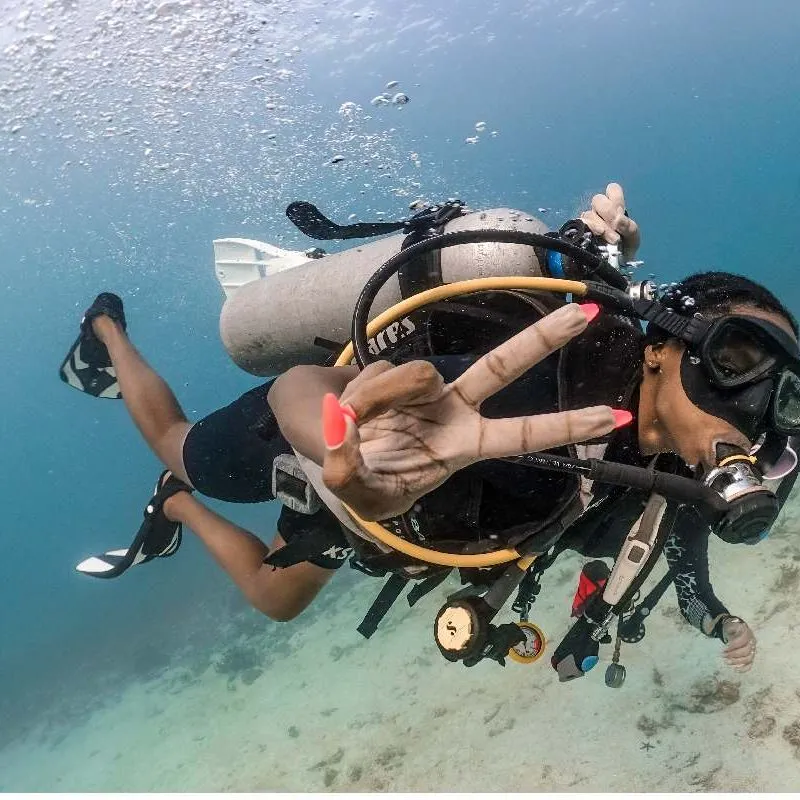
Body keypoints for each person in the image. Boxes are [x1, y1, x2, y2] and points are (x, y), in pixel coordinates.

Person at [60, 184, 795, 674]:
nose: (750, 409)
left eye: (781, 398)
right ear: (664, 348)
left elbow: (621, 545)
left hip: (382, 506)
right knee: (178, 447)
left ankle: (174, 505)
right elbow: (297, 389)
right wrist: (344, 446)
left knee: (276, 600)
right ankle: (106, 332)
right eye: (739, 359)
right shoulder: (537, 377)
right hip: (310, 442)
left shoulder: (671, 476)